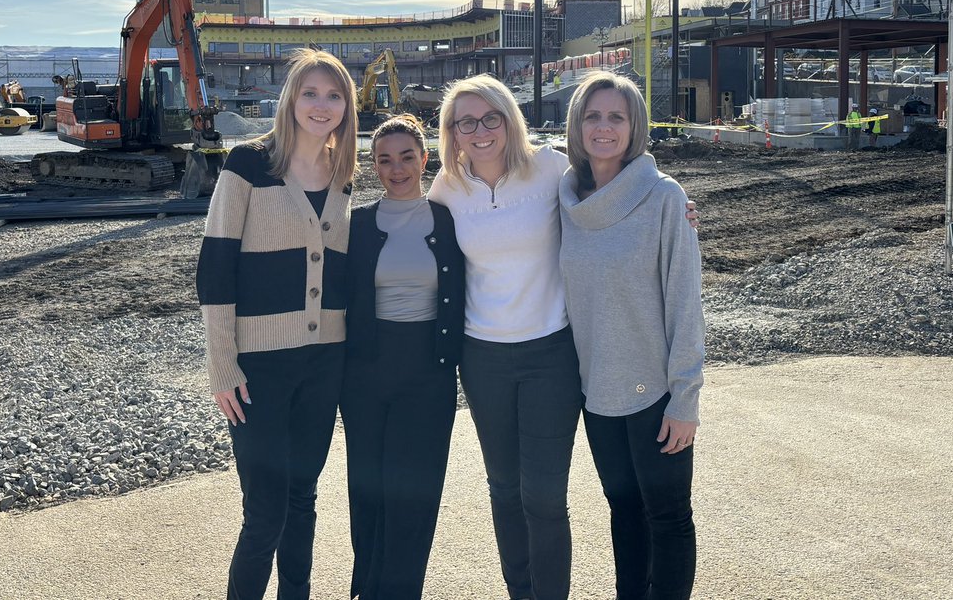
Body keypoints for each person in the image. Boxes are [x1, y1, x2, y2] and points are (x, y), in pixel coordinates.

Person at [428, 75, 697, 600]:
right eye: (466, 122)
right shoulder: (450, 189)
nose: (480, 130)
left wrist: (682, 213)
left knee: (549, 497)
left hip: (555, 355)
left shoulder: (551, 170)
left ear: (510, 119)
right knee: (510, 491)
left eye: (491, 118)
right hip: (490, 360)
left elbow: (632, 213)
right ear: (452, 132)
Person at [196, 48, 358, 600]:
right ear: (291, 98)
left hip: (323, 364)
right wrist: (222, 364)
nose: (321, 105)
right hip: (258, 368)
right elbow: (215, 266)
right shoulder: (247, 164)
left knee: (302, 499)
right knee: (264, 509)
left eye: (334, 95)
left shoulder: (343, 175)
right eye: (310, 93)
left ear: (347, 106)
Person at [558, 71, 704, 600]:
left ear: (634, 125)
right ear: (576, 125)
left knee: (666, 517)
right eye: (592, 116)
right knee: (622, 510)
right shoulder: (566, 199)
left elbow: (686, 301)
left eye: (616, 117)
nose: (603, 127)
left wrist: (685, 397)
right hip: (597, 394)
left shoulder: (665, 199)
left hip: (656, 394)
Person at [341, 114, 466, 600]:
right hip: (365, 371)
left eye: (407, 157)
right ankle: (366, 586)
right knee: (368, 487)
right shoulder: (356, 225)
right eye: (385, 160)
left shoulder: (451, 220)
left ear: (425, 158)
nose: (396, 169)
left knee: (415, 491)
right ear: (373, 165)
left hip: (428, 370)